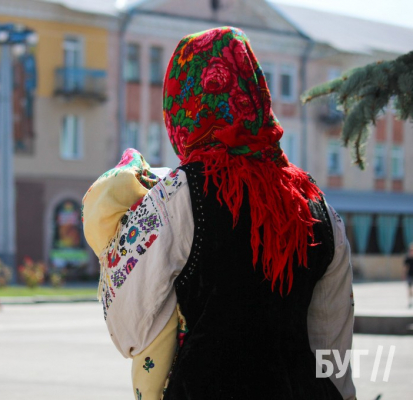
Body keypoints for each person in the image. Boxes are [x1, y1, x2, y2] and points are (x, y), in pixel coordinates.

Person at [83, 27, 356, 400]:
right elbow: (333, 349)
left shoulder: (177, 196)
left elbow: (131, 330)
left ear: (182, 104)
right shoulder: (319, 206)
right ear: (254, 92)